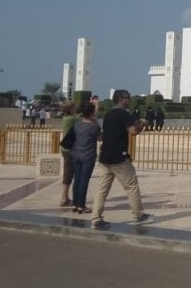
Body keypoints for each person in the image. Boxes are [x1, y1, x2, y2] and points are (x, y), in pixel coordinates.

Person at [91, 89, 152, 229]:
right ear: (121, 99)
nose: (129, 100)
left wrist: (135, 122)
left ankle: (96, 218)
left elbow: (118, 129)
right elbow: (133, 131)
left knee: (102, 189)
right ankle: (139, 214)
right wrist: (142, 124)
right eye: (128, 98)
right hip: (119, 157)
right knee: (131, 186)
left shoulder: (108, 114)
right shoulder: (124, 114)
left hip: (105, 156)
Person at [71, 102, 101, 214]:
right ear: (92, 112)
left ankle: (75, 203)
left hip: (76, 154)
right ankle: (81, 205)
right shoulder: (94, 126)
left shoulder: (77, 124)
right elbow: (100, 138)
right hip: (88, 156)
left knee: (77, 180)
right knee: (84, 181)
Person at [59, 102, 78, 207]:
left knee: (68, 172)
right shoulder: (72, 119)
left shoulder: (66, 118)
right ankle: (64, 197)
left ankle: (65, 197)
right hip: (70, 149)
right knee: (68, 173)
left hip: (66, 148)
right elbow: (87, 117)